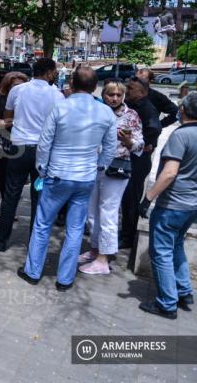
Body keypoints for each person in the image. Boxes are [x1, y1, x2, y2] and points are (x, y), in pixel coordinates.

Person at [18, 67, 117, 291]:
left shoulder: (60, 107)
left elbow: (45, 143)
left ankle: (33, 271)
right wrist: (98, 167)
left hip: (58, 174)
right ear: (95, 87)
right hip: (84, 178)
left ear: (72, 83)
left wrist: (43, 169)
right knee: (75, 229)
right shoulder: (105, 113)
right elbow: (110, 148)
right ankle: (65, 278)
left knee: (43, 224)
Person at [0, 58, 65, 252]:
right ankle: (34, 245)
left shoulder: (18, 90)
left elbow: (7, 117)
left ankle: (2, 240)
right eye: (54, 72)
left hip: (18, 147)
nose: (55, 75)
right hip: (42, 150)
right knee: (39, 197)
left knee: (11, 194)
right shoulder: (57, 95)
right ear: (48, 73)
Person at [137, 93, 197, 319]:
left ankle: (167, 303)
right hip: (192, 205)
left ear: (183, 110)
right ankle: (183, 290)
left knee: (161, 252)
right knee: (177, 246)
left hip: (173, 204)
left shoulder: (180, 136)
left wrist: (148, 198)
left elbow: (170, 172)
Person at [79, 80, 144, 275]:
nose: (114, 98)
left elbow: (140, 146)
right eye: (110, 94)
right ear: (104, 94)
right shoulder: (96, 111)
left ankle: (103, 260)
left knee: (108, 212)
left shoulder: (131, 115)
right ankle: (95, 249)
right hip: (92, 167)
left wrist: (128, 141)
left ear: (123, 96)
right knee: (91, 212)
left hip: (117, 169)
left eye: (118, 95)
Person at [119, 77, 162, 249]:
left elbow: (155, 128)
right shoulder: (132, 106)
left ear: (142, 93)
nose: (126, 90)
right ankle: (124, 233)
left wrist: (145, 143)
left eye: (131, 88)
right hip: (129, 158)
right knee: (125, 197)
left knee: (130, 198)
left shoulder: (146, 108)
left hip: (139, 161)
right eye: (127, 87)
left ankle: (127, 237)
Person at [0, 72, 28, 226]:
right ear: (8, 86)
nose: (19, 89)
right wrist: (13, 123)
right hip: (0, 142)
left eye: (22, 86)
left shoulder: (25, 100)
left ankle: (7, 210)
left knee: (11, 179)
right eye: (15, 86)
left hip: (18, 143)